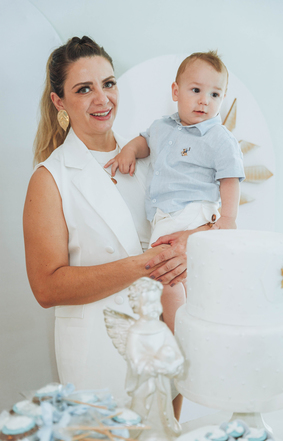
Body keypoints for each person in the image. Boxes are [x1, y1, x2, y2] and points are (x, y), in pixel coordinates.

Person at [23, 36, 192, 408]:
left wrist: (187, 248)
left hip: (165, 344)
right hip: (97, 354)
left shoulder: (150, 162)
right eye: (84, 89)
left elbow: (190, 226)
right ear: (59, 101)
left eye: (108, 84)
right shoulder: (51, 178)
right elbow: (47, 287)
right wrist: (143, 265)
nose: (102, 99)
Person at [106, 50, 245, 332]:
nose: (205, 100)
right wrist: (129, 151)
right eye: (196, 90)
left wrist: (228, 219)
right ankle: (185, 329)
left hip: (192, 211)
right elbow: (144, 141)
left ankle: (180, 332)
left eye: (215, 95)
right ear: (175, 91)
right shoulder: (161, 128)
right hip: (164, 218)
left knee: (169, 276)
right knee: (173, 279)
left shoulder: (219, 138)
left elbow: (230, 179)